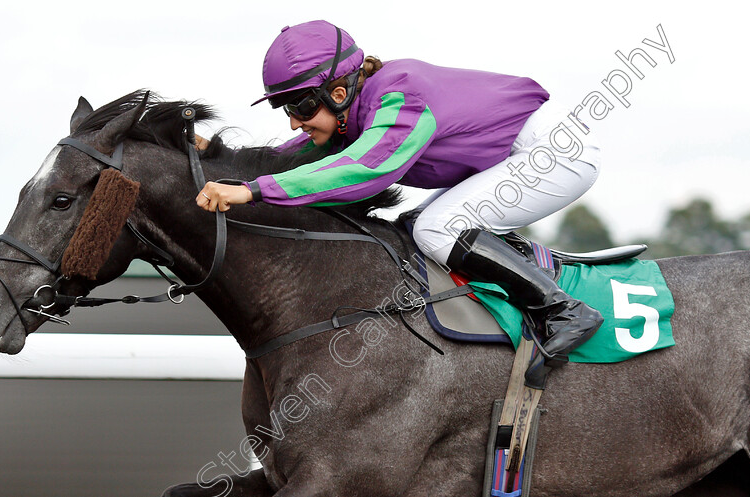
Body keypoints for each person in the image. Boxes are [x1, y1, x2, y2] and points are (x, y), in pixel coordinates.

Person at [195, 20, 603, 384]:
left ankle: (562, 310)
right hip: (516, 154)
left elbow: (363, 168)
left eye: (302, 107)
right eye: (287, 108)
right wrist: (217, 156)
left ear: (338, 92)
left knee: (436, 228)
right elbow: (293, 156)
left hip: (554, 152)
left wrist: (253, 190)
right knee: (414, 225)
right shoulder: (355, 110)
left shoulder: (400, 97)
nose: (294, 121)